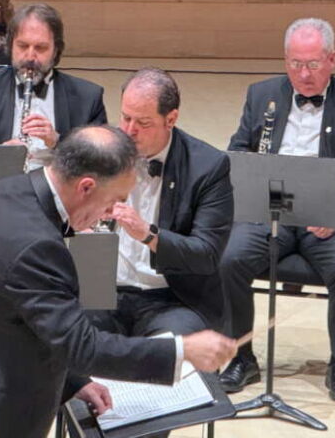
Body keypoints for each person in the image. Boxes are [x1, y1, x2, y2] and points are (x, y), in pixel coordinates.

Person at [0, 126, 236, 438]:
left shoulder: (14, 188)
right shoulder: (35, 244)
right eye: (115, 200)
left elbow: (27, 316)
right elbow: (82, 346)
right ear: (86, 186)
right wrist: (183, 350)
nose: (110, 212)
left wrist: (72, 382)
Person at [219, 18, 335, 402]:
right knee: (227, 259)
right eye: (295, 63)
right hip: (268, 215)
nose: (303, 74)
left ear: (332, 59)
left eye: (312, 64)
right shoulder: (262, 95)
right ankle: (240, 355)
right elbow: (239, 150)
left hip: (330, 222)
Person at [90, 69, 233, 337]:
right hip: (104, 293)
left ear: (171, 119)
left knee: (175, 356)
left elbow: (207, 254)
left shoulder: (208, 167)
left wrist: (148, 235)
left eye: (143, 123)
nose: (129, 131)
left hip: (172, 300)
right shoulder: (101, 153)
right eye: (125, 118)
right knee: (60, 338)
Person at [0, 2, 107, 169]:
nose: (30, 56)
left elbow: (102, 158)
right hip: (1, 189)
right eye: (22, 46)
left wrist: (58, 142)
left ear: (56, 51)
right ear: (10, 45)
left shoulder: (87, 97)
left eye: (40, 48)